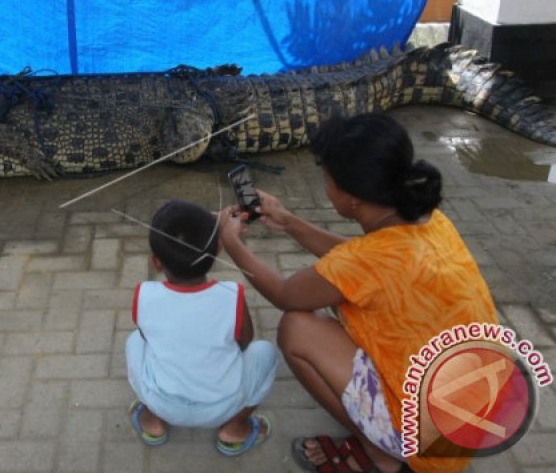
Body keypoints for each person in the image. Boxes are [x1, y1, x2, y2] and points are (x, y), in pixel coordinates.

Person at [217, 114, 498, 472]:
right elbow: (359, 264)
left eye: (326, 177)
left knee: (297, 327)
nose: (325, 185)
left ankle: (381, 452)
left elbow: (287, 295)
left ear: (351, 199)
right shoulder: (431, 221)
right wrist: (288, 222)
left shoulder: (366, 262)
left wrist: (232, 244)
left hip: (426, 442)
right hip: (471, 413)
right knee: (345, 306)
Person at [126, 199, 278, 456]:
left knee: (134, 342)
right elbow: (245, 343)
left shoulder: (144, 294)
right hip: (224, 405)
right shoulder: (232, 296)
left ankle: (153, 423)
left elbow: (146, 337)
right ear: (218, 250)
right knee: (265, 352)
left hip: (164, 404)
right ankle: (234, 429)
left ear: (156, 262)